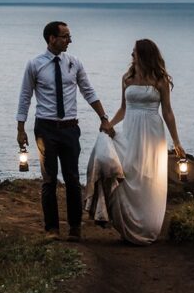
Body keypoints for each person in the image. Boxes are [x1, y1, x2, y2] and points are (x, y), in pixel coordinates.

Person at [17, 21, 115, 241]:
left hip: (70, 128)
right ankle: (51, 229)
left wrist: (104, 117)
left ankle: (75, 227)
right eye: (65, 36)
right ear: (52, 38)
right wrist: (20, 128)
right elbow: (25, 96)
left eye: (69, 36)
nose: (69, 40)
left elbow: (88, 91)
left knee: (72, 178)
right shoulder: (34, 64)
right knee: (49, 179)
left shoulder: (74, 62)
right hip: (46, 128)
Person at [84, 39, 185, 245]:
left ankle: (147, 224)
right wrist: (109, 124)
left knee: (147, 176)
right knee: (126, 170)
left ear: (144, 55)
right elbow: (123, 108)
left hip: (151, 132)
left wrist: (176, 142)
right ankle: (127, 224)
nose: (131, 55)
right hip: (130, 129)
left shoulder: (160, 80)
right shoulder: (127, 78)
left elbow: (167, 112)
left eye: (135, 52)